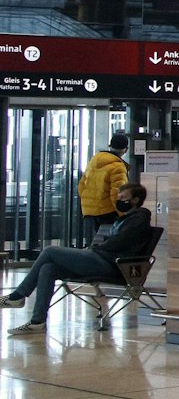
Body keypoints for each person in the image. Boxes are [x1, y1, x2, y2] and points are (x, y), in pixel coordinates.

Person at [3, 182, 154, 335]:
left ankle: (18, 296)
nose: (120, 200)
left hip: (113, 265)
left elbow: (119, 242)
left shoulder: (139, 219)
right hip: (102, 259)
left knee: (50, 251)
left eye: (124, 197)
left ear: (135, 200)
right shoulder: (124, 219)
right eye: (119, 197)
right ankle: (37, 322)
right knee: (48, 268)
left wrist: (95, 248)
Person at [76, 132, 130, 243]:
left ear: (110, 146)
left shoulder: (94, 161)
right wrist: (122, 214)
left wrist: (88, 202)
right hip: (107, 213)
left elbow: (82, 186)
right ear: (125, 149)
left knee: (92, 246)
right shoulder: (118, 167)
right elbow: (117, 194)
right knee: (105, 247)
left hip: (88, 211)